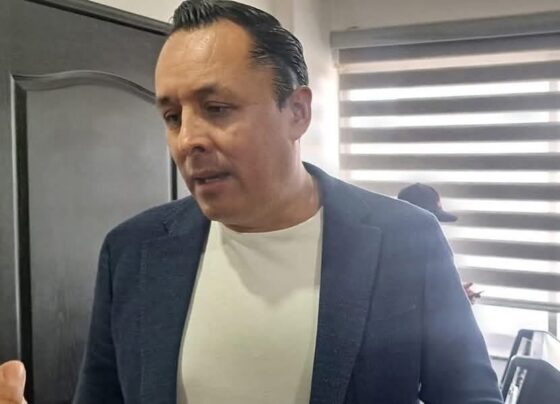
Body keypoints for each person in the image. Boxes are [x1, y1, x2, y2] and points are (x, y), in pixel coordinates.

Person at [0, 1, 503, 403]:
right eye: (172, 116)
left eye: (217, 108)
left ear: (297, 112)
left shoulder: (405, 240)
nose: (187, 140)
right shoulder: (131, 250)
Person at [397, 183, 483, 304]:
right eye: (430, 221)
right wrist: (454, 297)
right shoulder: (400, 254)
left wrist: (454, 292)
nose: (435, 227)